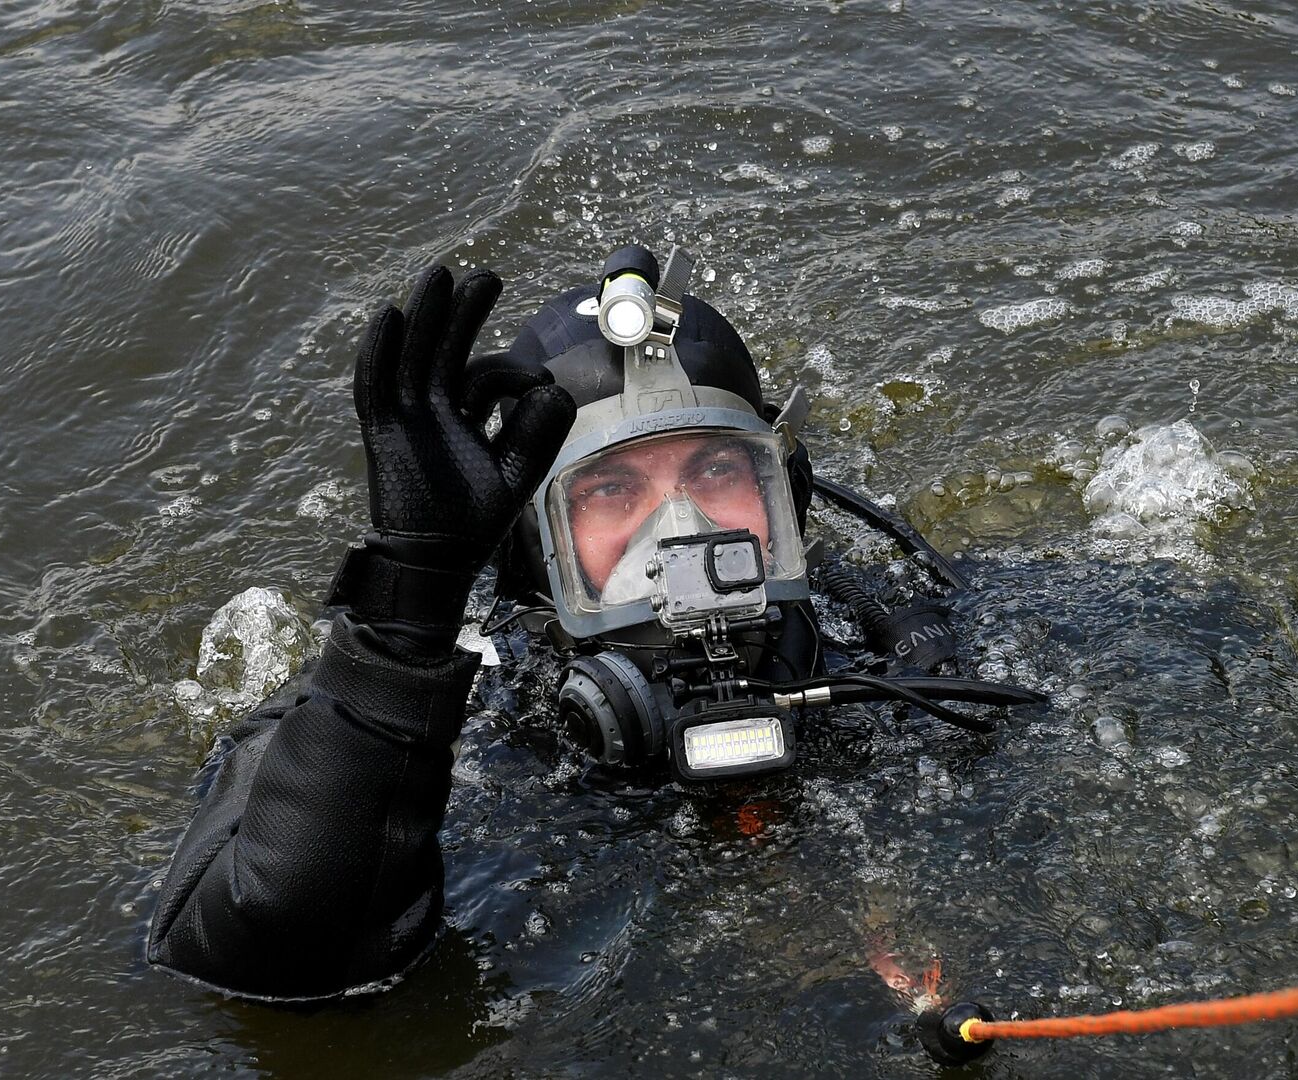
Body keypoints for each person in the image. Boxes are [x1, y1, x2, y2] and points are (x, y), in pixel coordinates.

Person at [145, 247, 1039, 1001]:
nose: (681, 526)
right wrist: (404, 611)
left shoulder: (903, 661)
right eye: (614, 489)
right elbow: (258, 939)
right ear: (535, 548)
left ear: (784, 502)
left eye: (720, 472)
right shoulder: (458, 725)